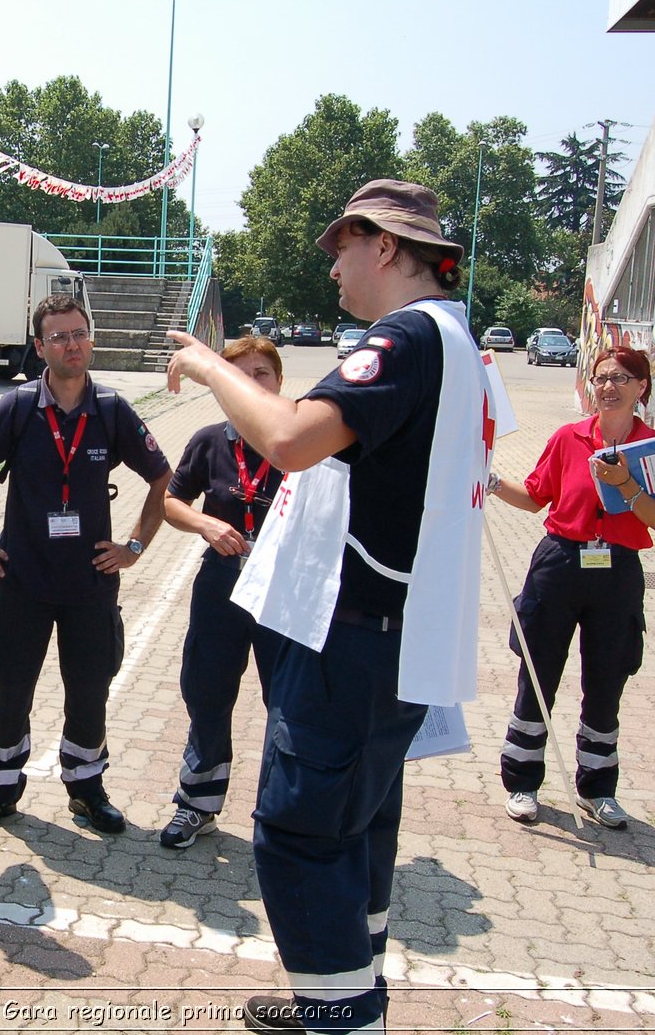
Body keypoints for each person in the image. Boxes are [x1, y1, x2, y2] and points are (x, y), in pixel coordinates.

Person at [166, 180, 494, 1034]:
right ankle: (346, 987)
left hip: (355, 640)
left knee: (301, 834)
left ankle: (342, 1013)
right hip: (388, 636)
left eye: (342, 247)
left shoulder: (408, 337)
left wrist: (208, 367)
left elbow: (291, 440)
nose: (335, 269)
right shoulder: (459, 341)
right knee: (358, 825)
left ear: (384, 245)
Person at [0, 293, 171, 837]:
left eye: (79, 333)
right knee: (11, 689)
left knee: (90, 690)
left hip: (91, 584)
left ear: (90, 337)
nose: (72, 344)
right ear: (40, 347)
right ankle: (0, 789)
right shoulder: (19, 407)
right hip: (21, 579)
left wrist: (134, 547)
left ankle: (87, 789)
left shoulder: (112, 408)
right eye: (59, 337)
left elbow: (163, 477)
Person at [490, 345, 655, 830]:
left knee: (606, 681)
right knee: (537, 674)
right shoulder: (568, 437)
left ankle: (597, 790)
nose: (608, 387)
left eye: (620, 378)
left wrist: (625, 486)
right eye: (600, 378)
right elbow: (535, 499)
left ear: (641, 388)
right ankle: (522, 782)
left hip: (617, 572)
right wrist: (488, 481)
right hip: (559, 563)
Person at [158, 335, 287, 850]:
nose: (253, 385)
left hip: (284, 590)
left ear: (280, 382)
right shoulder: (210, 440)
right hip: (223, 583)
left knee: (289, 705)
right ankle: (198, 805)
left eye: (263, 375)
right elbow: (171, 502)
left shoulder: (301, 438)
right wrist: (206, 524)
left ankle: (281, 819)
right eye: (240, 376)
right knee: (207, 691)